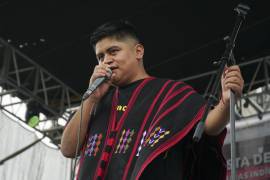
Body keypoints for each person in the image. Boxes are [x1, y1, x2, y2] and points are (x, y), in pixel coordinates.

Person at [61, 20, 244, 180]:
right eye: (100, 57)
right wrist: (91, 98)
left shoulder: (169, 93)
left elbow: (208, 126)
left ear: (138, 51)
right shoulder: (96, 102)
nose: (106, 61)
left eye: (113, 51)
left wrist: (226, 103)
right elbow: (68, 149)